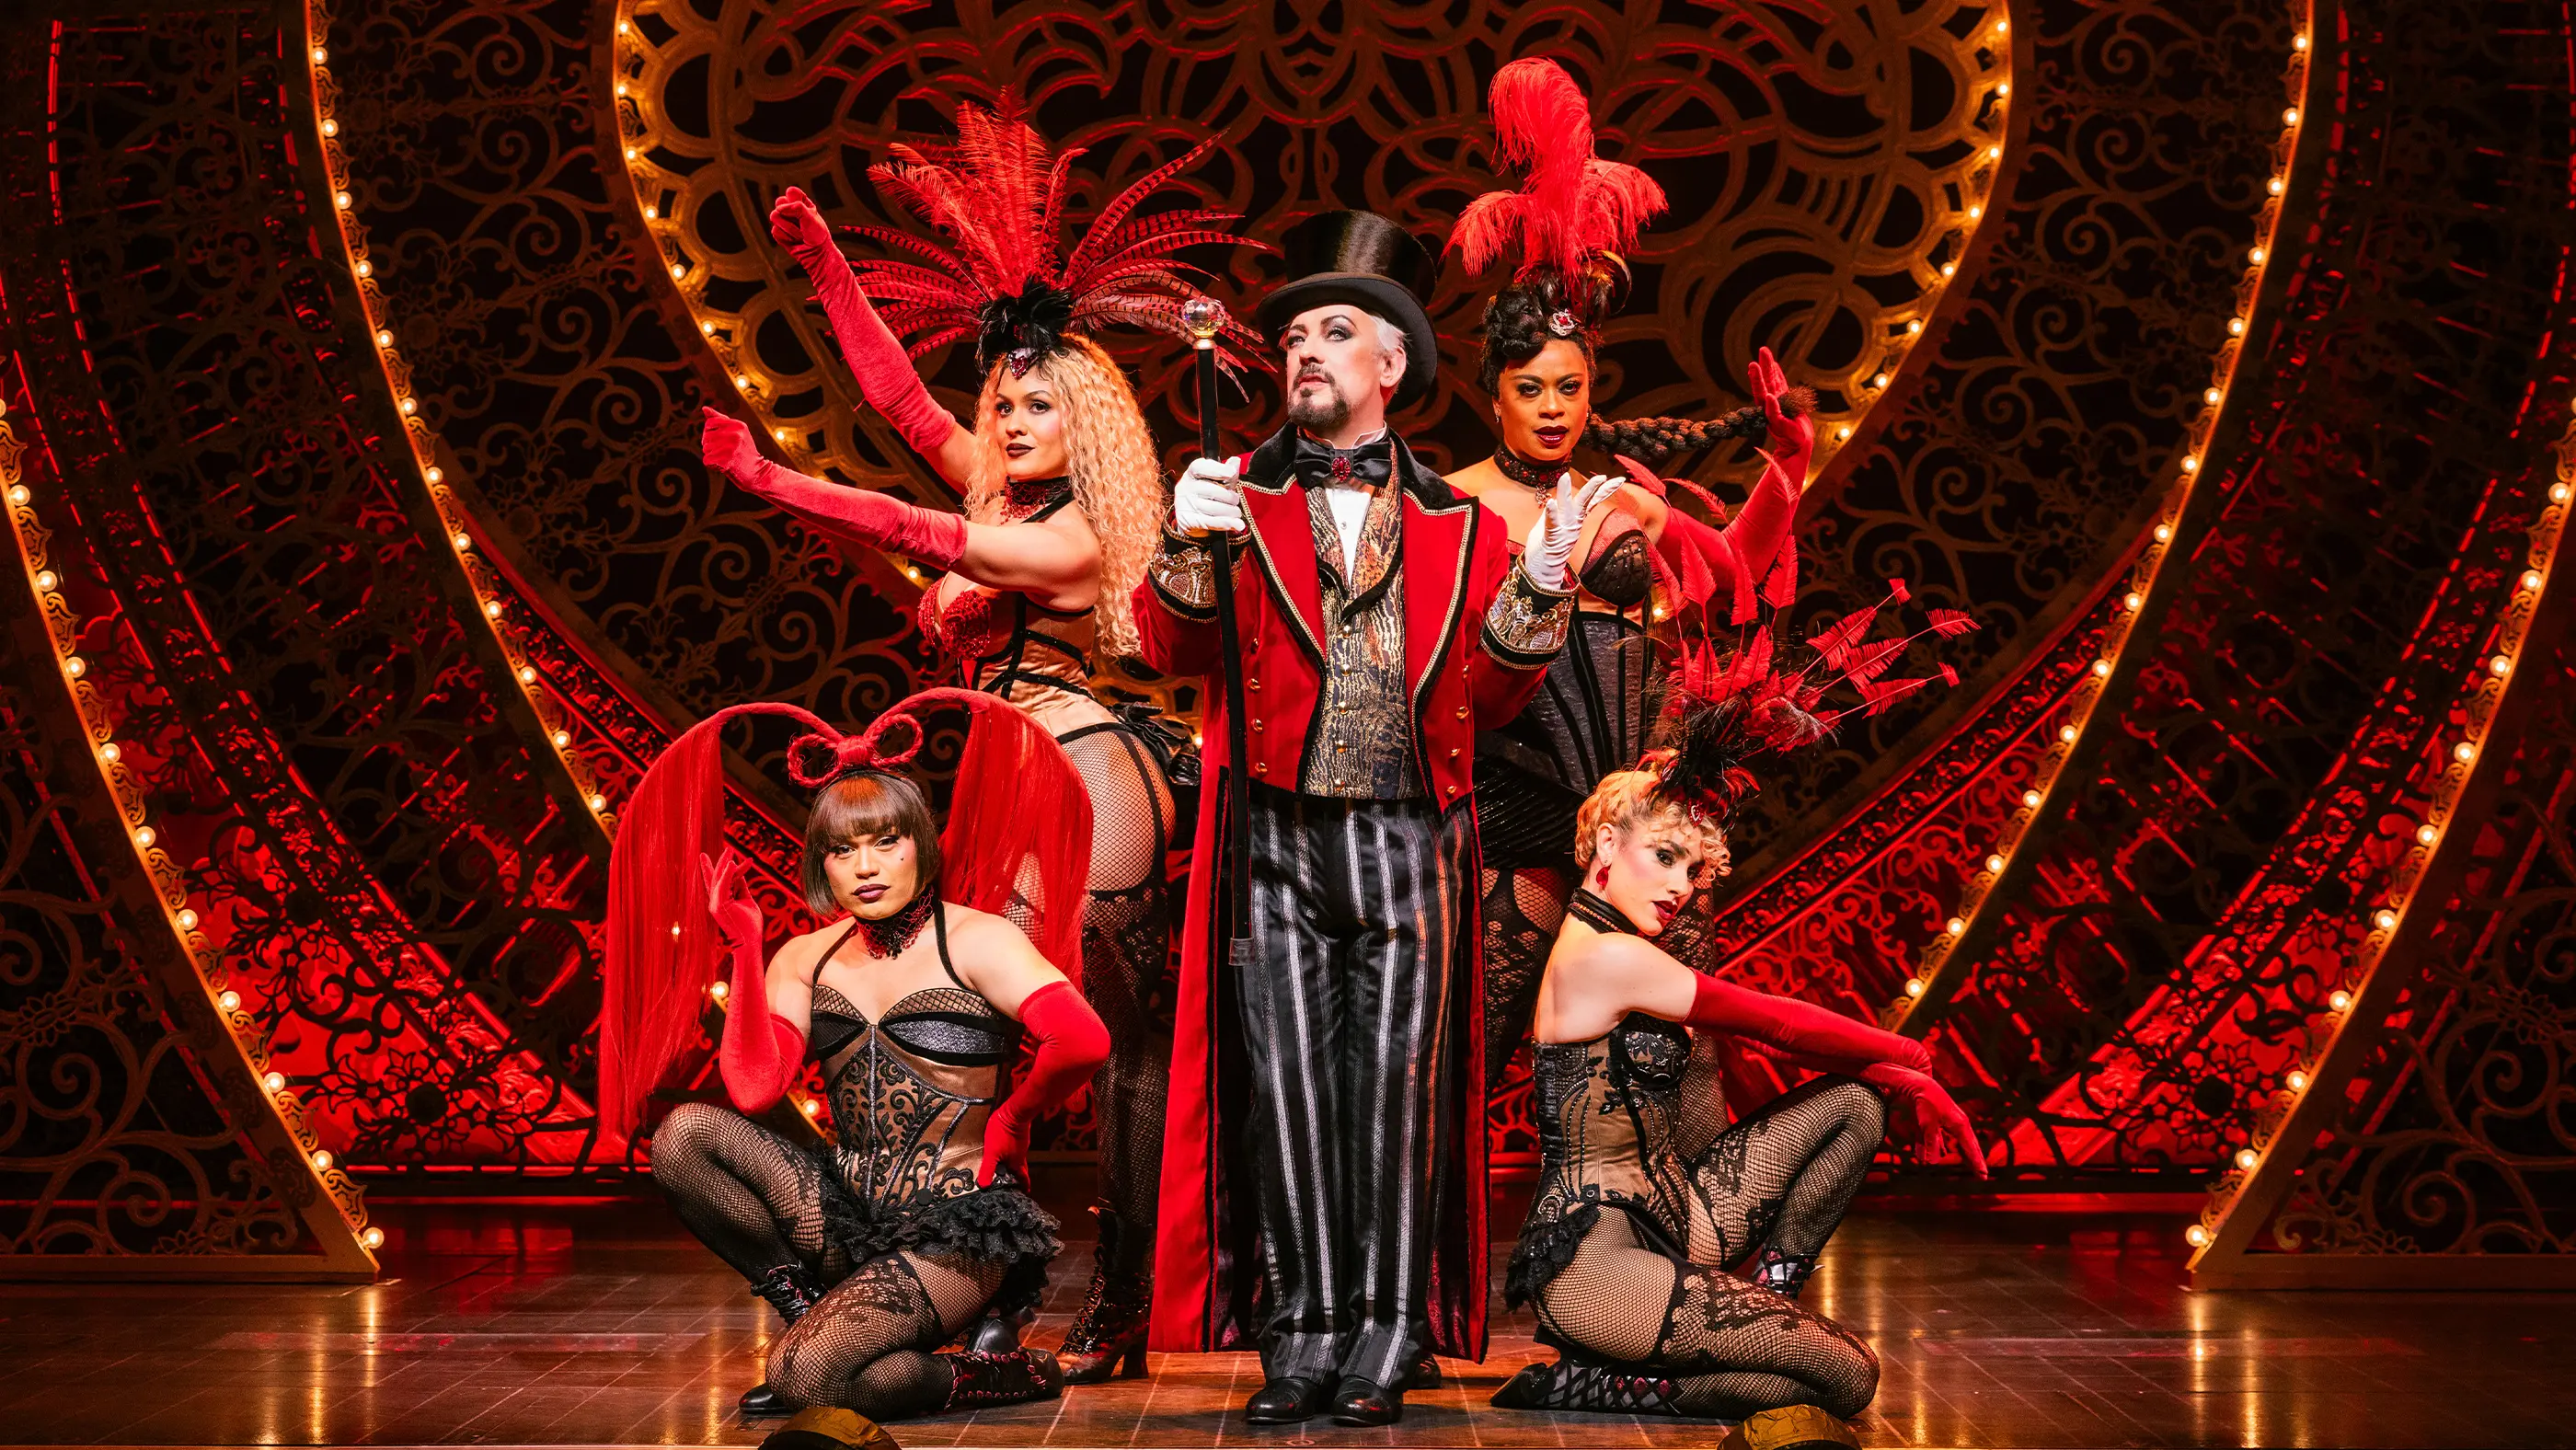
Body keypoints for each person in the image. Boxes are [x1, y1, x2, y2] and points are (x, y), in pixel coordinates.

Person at [696, 95, 1263, 1385]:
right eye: (1002, 405)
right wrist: (826, 271)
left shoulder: (1071, 536)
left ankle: (1118, 1301)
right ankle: (996, 1283)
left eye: (1037, 409)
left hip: (1088, 774)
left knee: (1107, 1037)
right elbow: (901, 409)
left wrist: (773, 481)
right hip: (1014, 774)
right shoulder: (1005, 485)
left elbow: (924, 533)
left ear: (1090, 424)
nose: (1008, 427)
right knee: (1019, 1026)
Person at [1133, 207, 1616, 1426]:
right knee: (1290, 1087)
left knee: (1395, 1095)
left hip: (1413, 841)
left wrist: (1541, 588)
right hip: (1278, 839)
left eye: (1335, 332)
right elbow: (1175, 646)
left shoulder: (1463, 528)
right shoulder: (1236, 495)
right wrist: (1185, 550)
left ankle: (1388, 1332)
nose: (1305, 351)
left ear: (1389, 364)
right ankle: (1304, 1334)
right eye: (1294, 334)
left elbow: (1496, 696)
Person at [1490, 585, 1985, 1433]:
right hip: (1601, 1261)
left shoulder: (1631, 947)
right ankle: (1594, 1382)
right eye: (1666, 857)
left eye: (1696, 871)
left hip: (1680, 1215)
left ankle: (1773, 1298)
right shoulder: (1602, 956)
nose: (1682, 888)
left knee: (1851, 1108)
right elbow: (1778, 1022)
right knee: (1847, 1377)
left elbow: (1797, 1058)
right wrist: (1917, 1065)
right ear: (1607, 844)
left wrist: (1892, 1084)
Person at [1443, 59, 1817, 1088]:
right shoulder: (1451, 504)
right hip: (1514, 795)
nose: (1554, 407)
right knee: (1471, 1048)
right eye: (1531, 389)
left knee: (1653, 1058)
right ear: (1497, 399)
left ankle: (1641, 1240)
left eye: (1571, 386)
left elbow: (1737, 567)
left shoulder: (1624, 500)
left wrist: (1789, 466)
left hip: (1642, 796)